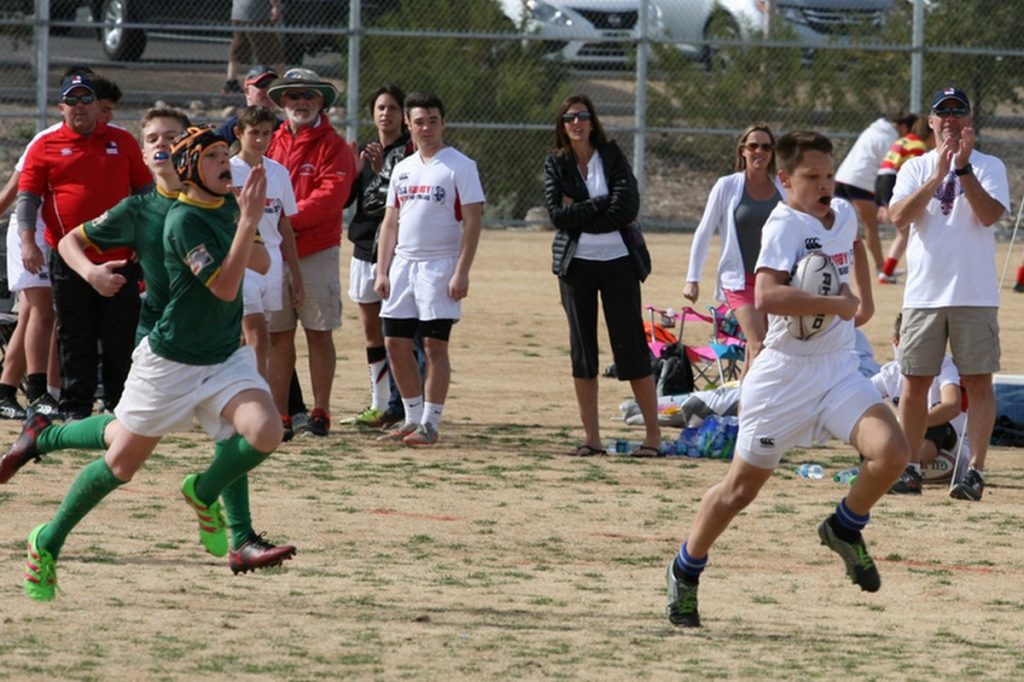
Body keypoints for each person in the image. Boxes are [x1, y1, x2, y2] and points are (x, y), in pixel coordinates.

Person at [16, 126, 294, 601]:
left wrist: (250, 225)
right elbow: (226, 288)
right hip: (170, 362)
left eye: (226, 152)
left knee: (265, 431)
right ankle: (48, 539)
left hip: (223, 354)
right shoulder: (180, 221)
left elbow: (264, 264)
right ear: (190, 169)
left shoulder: (227, 205)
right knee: (120, 463)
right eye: (213, 156)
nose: (225, 162)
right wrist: (246, 225)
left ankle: (207, 496)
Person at [665, 131, 908, 628]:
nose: (824, 185)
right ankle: (686, 568)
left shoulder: (839, 213)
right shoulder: (783, 225)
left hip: (837, 369)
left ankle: (844, 527)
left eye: (829, 174)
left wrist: (863, 297)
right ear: (784, 180)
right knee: (739, 491)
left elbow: (852, 245)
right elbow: (770, 296)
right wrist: (838, 305)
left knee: (893, 452)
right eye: (811, 177)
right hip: (783, 377)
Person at [889, 87, 1010, 502]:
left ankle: (973, 471)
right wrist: (938, 175)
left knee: (978, 382)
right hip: (924, 295)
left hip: (974, 294)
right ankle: (906, 467)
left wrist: (962, 171)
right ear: (931, 122)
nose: (952, 120)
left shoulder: (989, 165)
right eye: (945, 114)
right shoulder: (914, 167)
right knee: (915, 383)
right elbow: (898, 217)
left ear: (969, 121)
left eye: (959, 113)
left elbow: (990, 214)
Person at [16, 73, 153, 420]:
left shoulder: (122, 141)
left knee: (120, 334)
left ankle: (119, 405)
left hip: (122, 255)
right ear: (61, 107)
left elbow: (145, 194)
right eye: (72, 100)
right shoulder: (45, 145)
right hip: (70, 258)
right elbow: (28, 198)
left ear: (97, 105)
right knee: (75, 334)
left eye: (86, 99)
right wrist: (27, 242)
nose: (80, 106)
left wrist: (143, 238)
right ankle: (75, 406)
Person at [543, 93, 661, 457]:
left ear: (592, 121)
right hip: (576, 266)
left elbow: (627, 206)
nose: (576, 123)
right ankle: (591, 439)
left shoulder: (611, 155)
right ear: (562, 126)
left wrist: (581, 209)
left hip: (619, 262)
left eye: (582, 116)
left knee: (631, 349)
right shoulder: (556, 163)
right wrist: (600, 204)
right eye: (568, 118)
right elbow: (556, 216)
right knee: (583, 351)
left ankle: (653, 438)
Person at [374, 91, 485, 447]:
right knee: (394, 343)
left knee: (435, 346)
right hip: (403, 266)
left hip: (440, 266)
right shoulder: (403, 168)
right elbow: (390, 222)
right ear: (408, 124)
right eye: (419, 121)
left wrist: (461, 270)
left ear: (443, 123)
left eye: (433, 121)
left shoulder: (460, 165)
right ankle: (410, 417)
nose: (426, 128)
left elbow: (472, 221)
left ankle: (431, 423)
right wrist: (383, 270)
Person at [265, 68, 356, 437]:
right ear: (283, 102)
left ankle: (320, 411)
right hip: (273, 252)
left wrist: (281, 220)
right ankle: (280, 414)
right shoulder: (271, 141)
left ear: (321, 101)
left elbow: (330, 199)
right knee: (278, 335)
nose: (300, 102)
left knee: (319, 332)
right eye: (292, 96)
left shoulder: (335, 146)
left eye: (309, 96)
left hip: (314, 252)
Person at [344, 84, 421, 428]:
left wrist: (381, 172)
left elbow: (393, 202)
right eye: (380, 108)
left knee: (403, 332)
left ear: (403, 115)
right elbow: (348, 202)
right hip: (364, 247)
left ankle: (406, 405)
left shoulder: (412, 150)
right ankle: (380, 403)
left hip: (397, 251)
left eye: (392, 108)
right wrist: (357, 173)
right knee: (372, 332)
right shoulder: (366, 150)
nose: (385, 114)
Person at [684, 123, 784, 368]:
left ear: (772, 152)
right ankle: (750, 404)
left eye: (766, 147)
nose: (759, 151)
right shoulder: (727, 186)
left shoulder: (783, 186)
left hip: (774, 280)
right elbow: (704, 231)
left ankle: (744, 403)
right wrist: (692, 278)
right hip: (739, 280)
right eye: (753, 146)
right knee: (759, 343)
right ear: (743, 150)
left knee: (767, 348)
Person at [232, 105, 303, 379]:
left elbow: (284, 223)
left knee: (255, 339)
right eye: (253, 133)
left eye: (266, 133)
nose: (260, 140)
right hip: (243, 262)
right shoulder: (228, 171)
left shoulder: (279, 173)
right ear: (239, 133)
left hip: (273, 262)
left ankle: (239, 395)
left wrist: (295, 274)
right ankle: (256, 402)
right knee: (257, 337)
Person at [870, 313, 966, 494]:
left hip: (946, 438)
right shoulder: (890, 374)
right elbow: (861, 400)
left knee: (927, 424)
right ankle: (901, 467)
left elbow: (952, 405)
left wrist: (911, 425)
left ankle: (902, 470)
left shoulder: (944, 365)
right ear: (897, 343)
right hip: (907, 440)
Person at [834, 113, 917, 278]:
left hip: (841, 178)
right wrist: (882, 203)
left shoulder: (873, 130)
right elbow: (885, 173)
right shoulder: (891, 141)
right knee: (870, 225)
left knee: (838, 225)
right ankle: (881, 268)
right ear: (904, 127)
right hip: (860, 182)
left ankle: (833, 263)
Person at [875, 117, 933, 285]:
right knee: (904, 233)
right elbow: (914, 174)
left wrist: (882, 202)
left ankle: (887, 271)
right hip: (891, 180)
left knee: (903, 233)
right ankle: (886, 273)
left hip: (882, 179)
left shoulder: (904, 140)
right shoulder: (918, 146)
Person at [223, 0, 284, 95]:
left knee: (238, 47)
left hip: (238, 12)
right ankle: (279, 85)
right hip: (258, 13)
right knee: (272, 51)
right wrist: (275, 6)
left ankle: (231, 81)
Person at [217, 65, 282, 147]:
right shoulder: (231, 127)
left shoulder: (284, 129)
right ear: (247, 91)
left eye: (273, 86)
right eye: (263, 84)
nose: (268, 89)